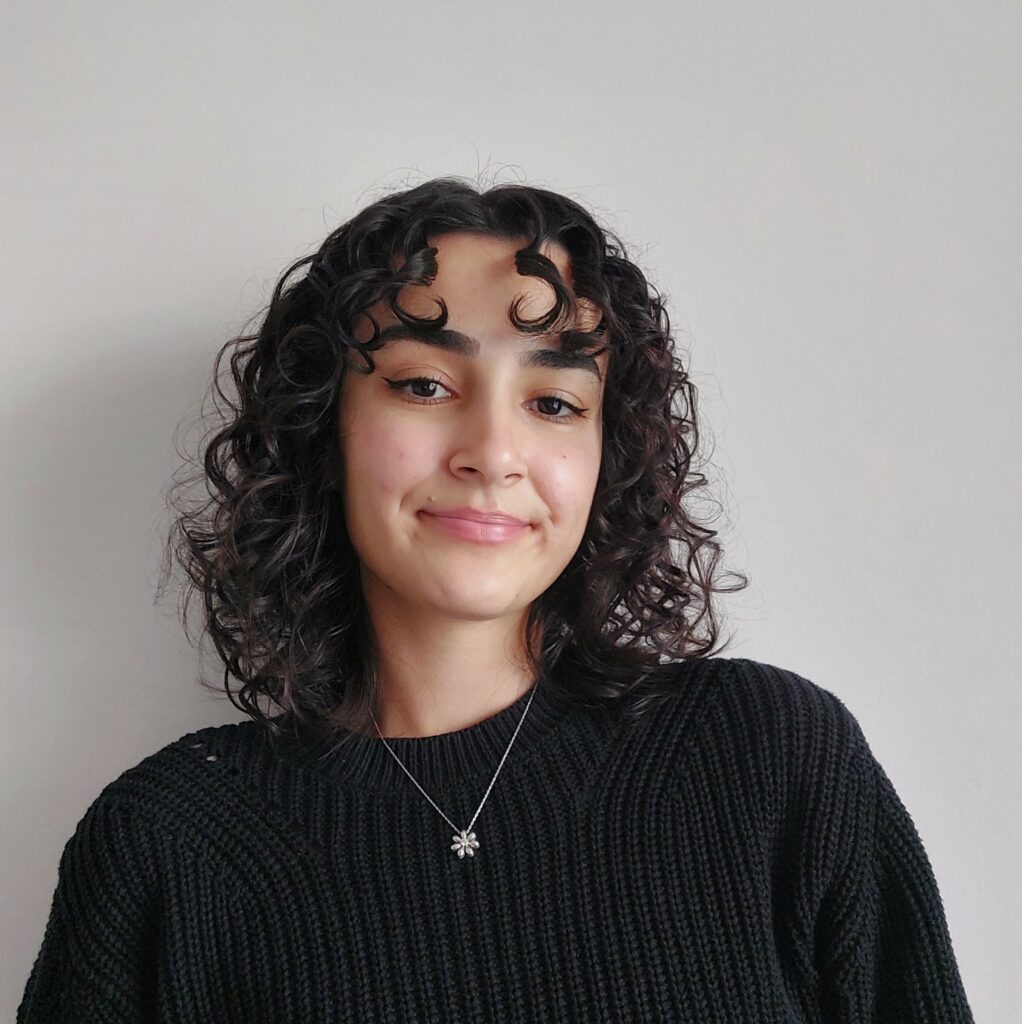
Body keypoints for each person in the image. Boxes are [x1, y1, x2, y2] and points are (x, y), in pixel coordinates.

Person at [17, 177, 974, 1022]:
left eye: (554, 404)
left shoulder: (770, 759)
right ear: (325, 431)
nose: (492, 452)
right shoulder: (172, 845)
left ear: (605, 458)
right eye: (424, 385)